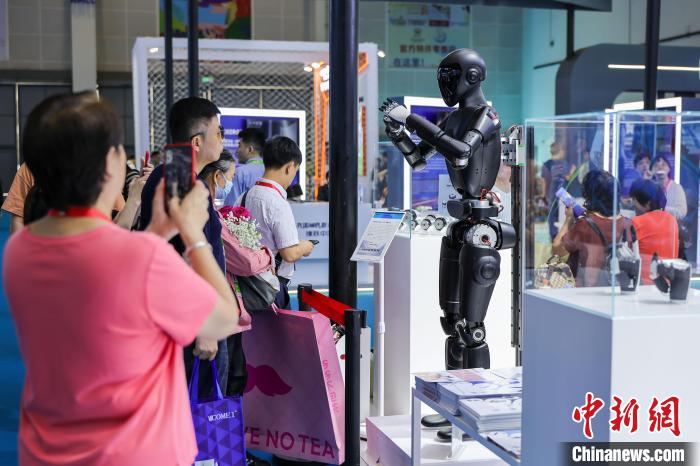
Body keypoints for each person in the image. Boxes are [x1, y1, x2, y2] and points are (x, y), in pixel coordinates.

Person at [4, 95, 241, 465]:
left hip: (47, 451)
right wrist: (193, 235)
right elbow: (224, 317)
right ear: (111, 165)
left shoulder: (19, 251)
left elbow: (102, 274)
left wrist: (157, 236)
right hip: (135, 453)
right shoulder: (140, 259)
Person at [138, 97, 231, 398]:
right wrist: (206, 325)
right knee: (199, 410)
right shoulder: (181, 183)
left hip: (183, 318)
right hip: (193, 324)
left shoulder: (173, 177)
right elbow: (185, 256)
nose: (222, 139)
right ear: (196, 141)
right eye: (218, 132)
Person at [201, 150, 275, 396]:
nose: (231, 183)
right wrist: (266, 254)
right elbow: (244, 262)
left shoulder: (207, 213)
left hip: (218, 315)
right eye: (230, 177)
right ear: (216, 177)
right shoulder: (210, 217)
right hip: (221, 316)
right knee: (227, 383)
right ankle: (222, 421)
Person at [236, 136, 315, 308]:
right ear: (289, 167)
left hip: (245, 287)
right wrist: (305, 246)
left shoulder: (244, 197)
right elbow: (289, 254)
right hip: (271, 290)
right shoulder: (278, 203)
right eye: (295, 171)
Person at [552, 170, 632, 287]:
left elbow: (557, 250)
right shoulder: (628, 224)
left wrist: (568, 220)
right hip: (616, 287)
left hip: (586, 288)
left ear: (589, 195)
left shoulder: (585, 225)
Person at [629, 179, 679, 284]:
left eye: (634, 200)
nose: (632, 204)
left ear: (647, 203)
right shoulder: (672, 220)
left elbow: (627, 257)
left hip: (642, 285)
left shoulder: (636, 222)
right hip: (667, 284)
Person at [541, 141, 575, 238]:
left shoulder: (547, 164)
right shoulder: (564, 163)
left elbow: (543, 181)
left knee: (552, 216)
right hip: (564, 194)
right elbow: (568, 177)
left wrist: (543, 195)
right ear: (560, 151)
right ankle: (564, 236)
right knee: (565, 215)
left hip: (552, 194)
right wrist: (573, 170)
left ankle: (553, 236)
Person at [225, 127, 266, 206]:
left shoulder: (240, 172)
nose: (237, 150)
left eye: (239, 145)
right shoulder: (270, 170)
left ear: (250, 149)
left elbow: (231, 207)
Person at [651, 154, 687, 220]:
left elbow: (682, 212)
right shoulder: (649, 187)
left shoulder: (676, 188)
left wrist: (662, 209)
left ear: (669, 169)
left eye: (663, 165)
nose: (660, 168)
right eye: (656, 165)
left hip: (670, 225)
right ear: (651, 170)